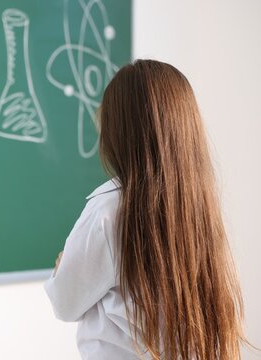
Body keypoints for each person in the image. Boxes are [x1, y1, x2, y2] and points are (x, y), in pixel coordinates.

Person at [44, 59, 246, 359]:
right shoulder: (196, 205)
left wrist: (63, 268)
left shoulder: (108, 210)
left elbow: (65, 302)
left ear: (118, 132)